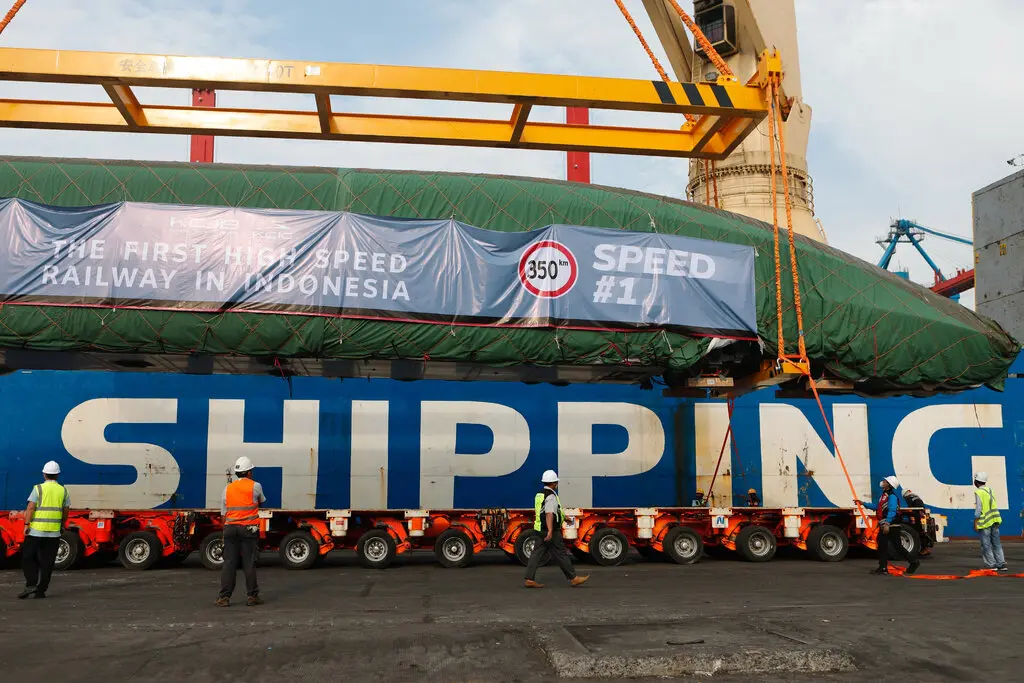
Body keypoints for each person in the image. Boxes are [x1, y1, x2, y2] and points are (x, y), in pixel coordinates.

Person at [524, 470, 589, 588]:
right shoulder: (551, 496)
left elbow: (549, 511)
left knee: (536, 554)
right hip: (551, 530)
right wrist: (550, 530)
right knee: (561, 553)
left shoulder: (540, 494)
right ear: (554, 483)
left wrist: (564, 518)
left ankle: (529, 579)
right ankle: (573, 578)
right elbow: (549, 513)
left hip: (539, 528)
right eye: (556, 482)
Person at [216, 456, 266, 606]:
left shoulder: (227, 488)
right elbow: (261, 501)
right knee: (249, 563)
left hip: (230, 529)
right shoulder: (255, 486)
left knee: (229, 563)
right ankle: (252, 596)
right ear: (249, 472)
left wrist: (225, 532)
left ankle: (224, 597)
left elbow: (223, 514)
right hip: (248, 530)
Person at [19, 460, 70, 599]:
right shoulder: (63, 490)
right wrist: (62, 525)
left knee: (28, 557)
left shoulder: (38, 488)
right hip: (54, 532)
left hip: (36, 530)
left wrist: (26, 524)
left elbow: (30, 508)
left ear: (44, 474)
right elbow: (65, 511)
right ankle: (41, 591)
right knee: (47, 562)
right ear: (57, 475)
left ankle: (31, 584)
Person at [855, 475, 919, 576]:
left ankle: (913, 562)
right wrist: (863, 503)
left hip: (891, 525)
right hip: (886, 524)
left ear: (889, 485)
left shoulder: (892, 496)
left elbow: (892, 510)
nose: (883, 482)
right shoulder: (884, 495)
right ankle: (883, 568)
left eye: (885, 481)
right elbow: (877, 506)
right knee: (883, 545)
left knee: (896, 546)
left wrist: (887, 523)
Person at [973, 471, 1007, 572]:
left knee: (986, 544)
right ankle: (1001, 564)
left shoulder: (979, 492)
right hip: (995, 519)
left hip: (985, 522)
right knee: (996, 543)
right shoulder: (990, 490)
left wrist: (976, 519)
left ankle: (991, 565)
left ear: (976, 481)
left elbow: (979, 508)